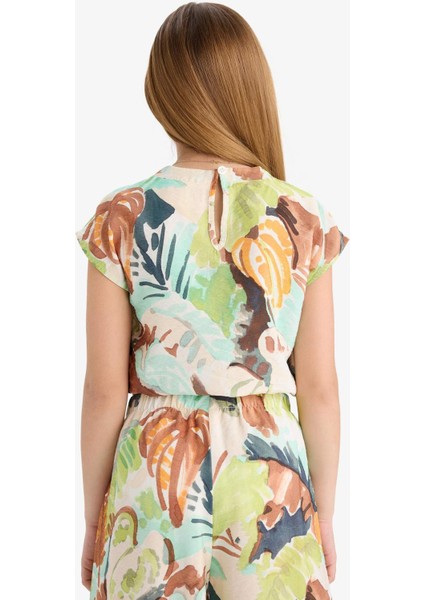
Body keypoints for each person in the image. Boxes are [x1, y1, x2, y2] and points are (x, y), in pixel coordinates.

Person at [75, 3, 350, 599]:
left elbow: (102, 392)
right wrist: (323, 512)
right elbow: (320, 388)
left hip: (157, 469)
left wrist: (96, 517)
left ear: (160, 96)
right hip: (270, 467)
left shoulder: (122, 216)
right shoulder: (303, 216)